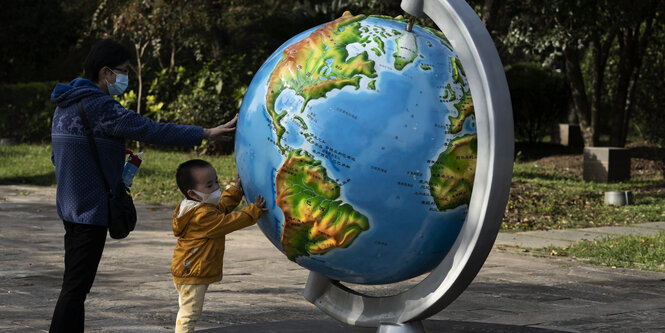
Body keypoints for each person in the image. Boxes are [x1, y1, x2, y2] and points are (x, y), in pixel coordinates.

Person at [49, 39, 238, 332]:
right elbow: (152, 130)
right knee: (75, 288)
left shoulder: (65, 103)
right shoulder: (101, 107)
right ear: (105, 72)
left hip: (70, 207)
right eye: (122, 71)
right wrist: (206, 133)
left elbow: (57, 156)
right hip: (91, 211)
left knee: (75, 285)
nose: (124, 78)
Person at [171, 159, 267, 332]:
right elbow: (227, 222)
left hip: (189, 269)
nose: (216, 188)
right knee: (189, 313)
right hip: (192, 271)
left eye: (216, 182)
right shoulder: (201, 216)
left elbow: (221, 207)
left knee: (188, 310)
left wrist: (235, 191)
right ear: (192, 193)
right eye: (209, 186)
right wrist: (253, 211)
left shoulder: (198, 207)